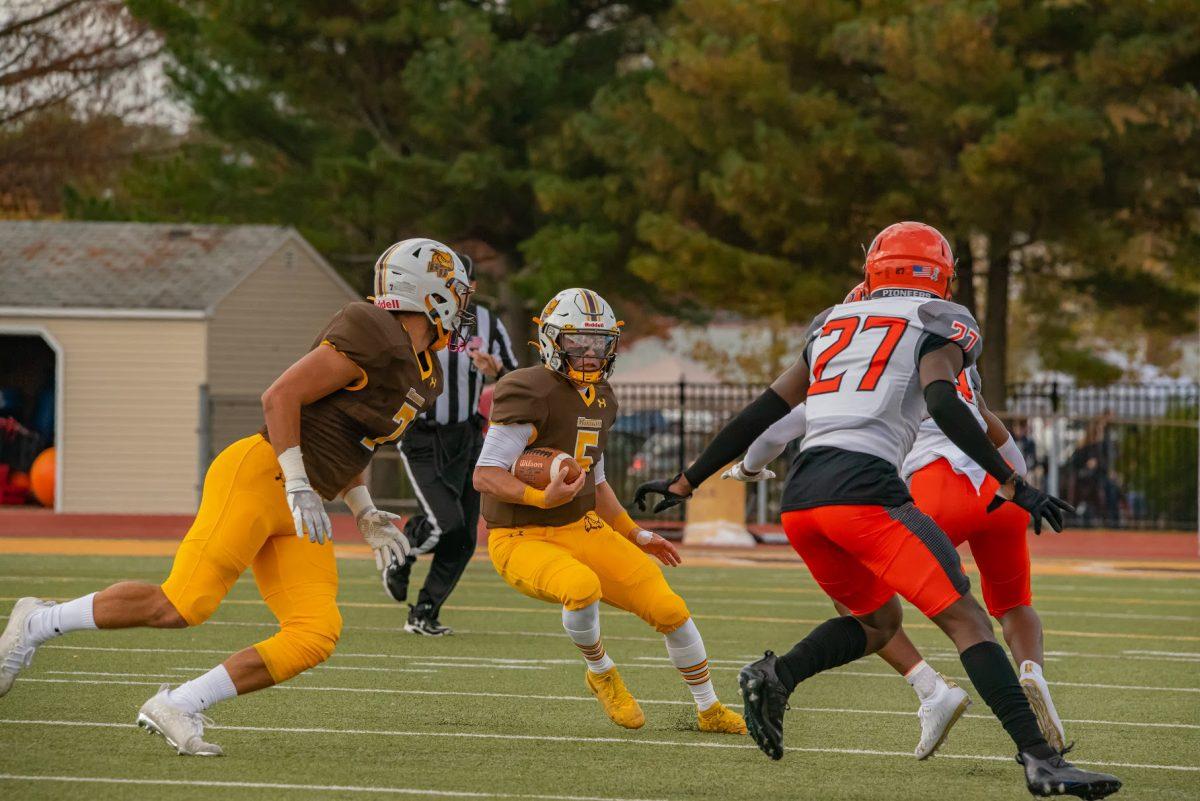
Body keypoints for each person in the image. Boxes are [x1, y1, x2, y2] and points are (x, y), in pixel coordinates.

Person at [635, 223, 1119, 798]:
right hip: (865, 492)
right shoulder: (941, 319)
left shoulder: (833, 322)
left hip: (802, 500)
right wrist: (1014, 483)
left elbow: (760, 412)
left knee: (876, 624)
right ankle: (1041, 761)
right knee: (968, 621)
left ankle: (777, 674)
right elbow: (943, 398)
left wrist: (688, 481)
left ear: (873, 269)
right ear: (942, 271)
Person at [0, 238, 473, 756]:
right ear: (430, 294)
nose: (462, 305)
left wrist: (363, 513)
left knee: (315, 633)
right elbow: (280, 396)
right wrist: (297, 481)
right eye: (456, 292)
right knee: (182, 604)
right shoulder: (372, 331)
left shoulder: (425, 371)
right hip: (261, 473)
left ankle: (178, 704)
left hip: (303, 500)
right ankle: (37, 622)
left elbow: (355, 443)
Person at [723, 284, 1067, 759]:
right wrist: (1021, 487)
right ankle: (1031, 673)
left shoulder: (857, 361)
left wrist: (747, 468)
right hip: (997, 491)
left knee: (868, 606)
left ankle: (932, 689)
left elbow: (776, 426)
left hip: (930, 487)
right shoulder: (945, 349)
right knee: (1009, 605)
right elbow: (987, 423)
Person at [473, 288, 747, 735]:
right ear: (552, 341)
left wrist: (635, 533)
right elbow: (486, 474)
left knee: (670, 609)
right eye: (577, 342)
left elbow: (596, 481)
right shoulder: (527, 388)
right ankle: (601, 672)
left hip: (584, 526)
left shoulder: (603, 397)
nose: (589, 353)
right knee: (580, 587)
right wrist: (543, 498)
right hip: (521, 535)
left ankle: (709, 707)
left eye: (599, 343)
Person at [383, 252, 520, 635]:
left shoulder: (487, 324)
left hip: (465, 435)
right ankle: (399, 553)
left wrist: (498, 372)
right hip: (422, 433)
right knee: (447, 524)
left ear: (471, 286)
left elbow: (515, 377)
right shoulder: (412, 318)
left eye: (460, 282)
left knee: (463, 535)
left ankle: (425, 610)